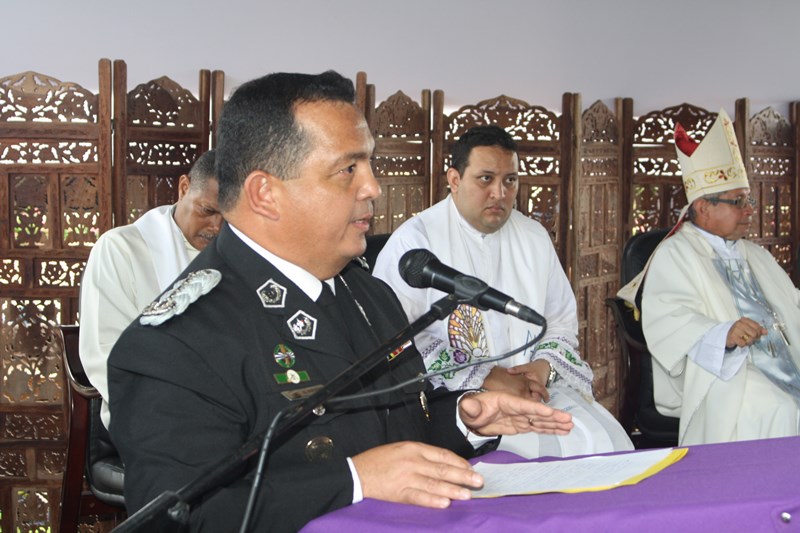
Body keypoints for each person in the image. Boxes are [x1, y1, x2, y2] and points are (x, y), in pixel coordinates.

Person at [107, 71, 573, 532]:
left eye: (368, 165)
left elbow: (399, 431)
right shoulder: (176, 343)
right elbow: (179, 520)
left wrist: (466, 417)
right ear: (265, 194)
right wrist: (353, 481)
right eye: (348, 169)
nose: (373, 187)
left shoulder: (369, 295)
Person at [373, 125, 632, 458]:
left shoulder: (533, 236)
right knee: (535, 460)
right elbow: (397, 341)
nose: (499, 192)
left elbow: (560, 323)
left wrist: (543, 368)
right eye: (486, 179)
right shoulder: (414, 242)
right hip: (456, 401)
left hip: (536, 389)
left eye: (510, 180)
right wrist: (487, 376)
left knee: (606, 440)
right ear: (454, 179)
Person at [628, 109, 800, 446]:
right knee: (781, 410)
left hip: (784, 361)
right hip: (725, 371)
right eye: (738, 201)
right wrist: (724, 334)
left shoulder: (754, 254)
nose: (750, 209)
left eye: (748, 199)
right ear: (703, 208)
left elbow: (790, 303)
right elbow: (670, 320)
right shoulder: (676, 254)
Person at [79, 149, 221, 429]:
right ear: (184, 188)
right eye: (207, 211)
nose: (216, 227)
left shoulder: (236, 254)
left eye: (229, 216)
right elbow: (106, 352)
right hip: (151, 413)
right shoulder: (121, 249)